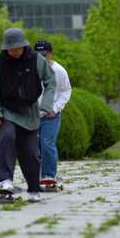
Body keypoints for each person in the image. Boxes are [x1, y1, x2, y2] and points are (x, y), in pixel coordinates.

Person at [0, 28, 56, 202]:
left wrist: (46, 104)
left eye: (17, 48)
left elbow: (50, 82)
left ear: (23, 45)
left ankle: (34, 189)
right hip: (8, 111)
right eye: (10, 49)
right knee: (7, 137)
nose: (14, 51)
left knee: (31, 152)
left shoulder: (37, 61)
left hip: (30, 113)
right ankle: (5, 181)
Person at [34, 40, 72, 184]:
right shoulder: (30, 70)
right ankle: (37, 175)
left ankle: (49, 175)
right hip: (33, 116)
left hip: (51, 116)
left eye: (44, 55)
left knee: (47, 144)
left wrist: (55, 108)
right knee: (34, 148)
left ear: (50, 54)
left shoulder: (59, 71)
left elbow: (66, 91)